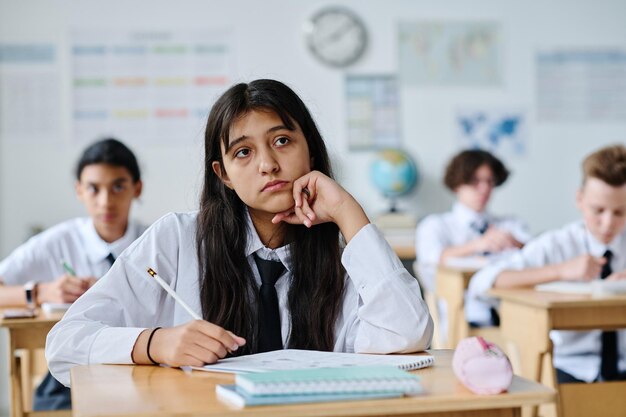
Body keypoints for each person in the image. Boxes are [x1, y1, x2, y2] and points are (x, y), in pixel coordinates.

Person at [46, 79, 433, 386]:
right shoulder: (177, 240)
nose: (268, 164)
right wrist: (155, 343)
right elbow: (64, 344)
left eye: (282, 141)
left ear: (310, 152)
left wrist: (349, 214)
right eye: (243, 152)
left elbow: (407, 337)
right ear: (224, 175)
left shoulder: (347, 256)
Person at [0, 138, 146, 410]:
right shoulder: (58, 241)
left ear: (137, 188)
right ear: (79, 190)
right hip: (74, 373)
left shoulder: (152, 243)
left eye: (118, 186)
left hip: (142, 368)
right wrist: (41, 292)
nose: (105, 201)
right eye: (93, 188)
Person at [468, 144, 626, 383]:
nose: (607, 223)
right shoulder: (557, 244)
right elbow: (482, 283)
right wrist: (561, 270)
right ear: (580, 199)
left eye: (620, 212)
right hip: (569, 365)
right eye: (598, 210)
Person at [415, 150, 530, 341]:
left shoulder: (509, 225)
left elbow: (536, 254)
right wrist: (477, 245)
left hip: (512, 317)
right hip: (461, 322)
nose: (484, 189)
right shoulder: (435, 225)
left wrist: (515, 243)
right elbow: (431, 259)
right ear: (457, 184)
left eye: (489, 181)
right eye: (475, 181)